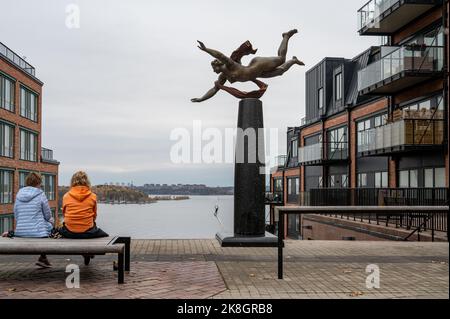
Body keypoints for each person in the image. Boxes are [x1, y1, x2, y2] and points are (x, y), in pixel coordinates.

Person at [191, 29, 304, 102]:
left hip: (257, 65)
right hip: (258, 74)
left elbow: (220, 55)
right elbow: (214, 89)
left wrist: (206, 49)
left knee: (281, 59)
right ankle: (294, 61)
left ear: (217, 65)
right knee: (281, 71)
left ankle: (286, 36)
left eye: (213, 68)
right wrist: (201, 99)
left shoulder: (229, 65)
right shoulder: (223, 77)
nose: (213, 71)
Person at [60, 171, 108, 265]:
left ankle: (86, 252)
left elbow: (65, 214)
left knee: (60, 230)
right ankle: (88, 251)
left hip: (69, 232)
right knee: (104, 235)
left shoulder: (66, 196)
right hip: (88, 232)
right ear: (87, 182)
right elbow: (94, 215)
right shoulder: (93, 196)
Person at [13, 172, 54, 268]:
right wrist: (51, 221)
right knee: (50, 225)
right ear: (38, 183)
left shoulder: (19, 194)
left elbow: (16, 214)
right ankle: (43, 257)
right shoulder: (40, 194)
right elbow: (47, 215)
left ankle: (43, 258)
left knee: (44, 226)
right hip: (37, 232)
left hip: (21, 231)